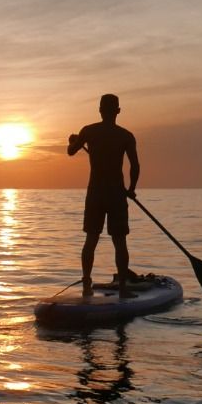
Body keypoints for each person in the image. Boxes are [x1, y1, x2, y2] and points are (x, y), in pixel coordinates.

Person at [67, 94, 139, 297]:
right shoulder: (126, 136)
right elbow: (135, 166)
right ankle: (123, 288)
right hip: (117, 193)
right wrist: (131, 189)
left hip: (95, 193)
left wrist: (74, 141)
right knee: (120, 241)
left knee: (91, 239)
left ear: (100, 110)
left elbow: (70, 152)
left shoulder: (89, 131)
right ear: (117, 111)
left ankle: (86, 285)